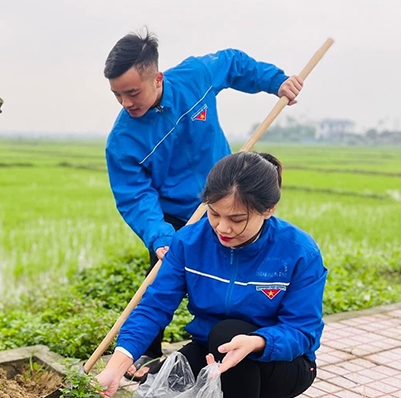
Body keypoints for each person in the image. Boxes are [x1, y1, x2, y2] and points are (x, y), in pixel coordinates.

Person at [96, 152, 327, 398]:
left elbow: (304, 330)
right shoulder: (189, 242)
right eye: (214, 213)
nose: (222, 228)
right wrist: (117, 365)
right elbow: (155, 306)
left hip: (283, 364)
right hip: (216, 351)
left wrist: (258, 341)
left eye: (237, 219)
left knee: (228, 337)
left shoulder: (298, 252)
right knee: (164, 384)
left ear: (269, 210)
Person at [104, 29, 303, 369]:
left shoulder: (195, 77)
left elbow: (232, 63)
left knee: (236, 280)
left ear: (157, 78)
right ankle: (141, 356)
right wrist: (161, 236)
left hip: (226, 202)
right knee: (159, 282)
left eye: (132, 92)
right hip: (173, 220)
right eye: (117, 95)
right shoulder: (122, 142)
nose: (126, 103)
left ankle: (235, 357)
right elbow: (135, 197)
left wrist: (276, 81)